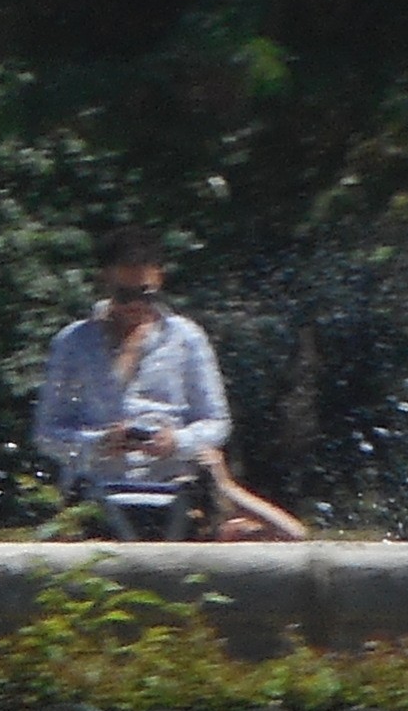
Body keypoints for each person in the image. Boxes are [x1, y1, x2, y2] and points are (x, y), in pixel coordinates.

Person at [33, 232, 307, 541]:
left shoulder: (187, 338)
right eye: (124, 295)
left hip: (177, 486)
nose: (135, 305)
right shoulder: (72, 343)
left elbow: (217, 422)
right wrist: (98, 442)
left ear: (159, 280)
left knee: (282, 537)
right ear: (105, 282)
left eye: (145, 294)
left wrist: (176, 441)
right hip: (95, 490)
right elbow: (47, 433)